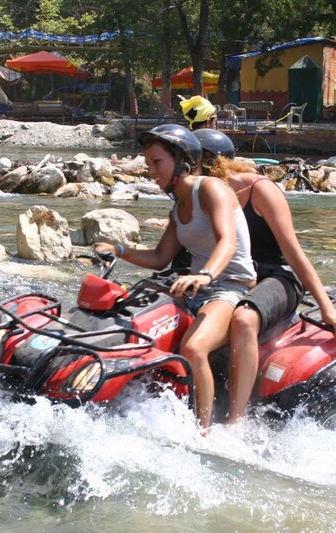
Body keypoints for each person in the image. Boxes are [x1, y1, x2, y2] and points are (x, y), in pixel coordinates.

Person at [95, 124, 255, 428]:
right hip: (195, 287)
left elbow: (228, 241)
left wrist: (206, 275)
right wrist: (118, 249)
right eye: (148, 164)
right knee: (132, 321)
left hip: (230, 288)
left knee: (194, 348)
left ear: (181, 161)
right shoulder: (179, 206)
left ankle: (204, 433)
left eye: (157, 162)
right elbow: (159, 258)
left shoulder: (210, 189)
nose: (150, 171)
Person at [193, 129, 336, 424]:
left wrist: (327, 307)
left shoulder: (259, 190)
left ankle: (236, 421)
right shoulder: (198, 196)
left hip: (279, 276)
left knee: (244, 318)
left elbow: (294, 252)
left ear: (210, 164)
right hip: (235, 277)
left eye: (189, 164)